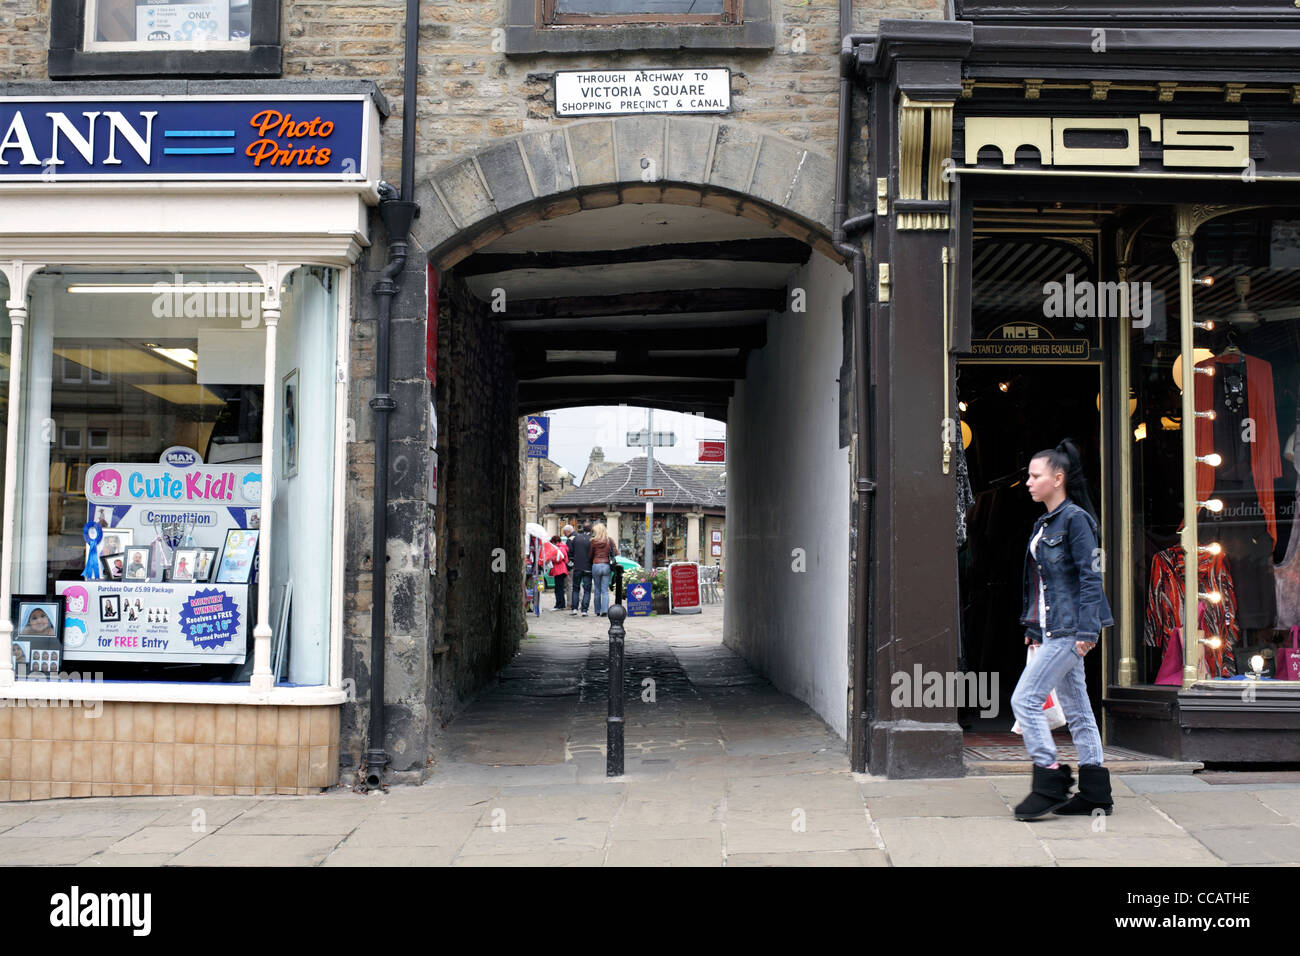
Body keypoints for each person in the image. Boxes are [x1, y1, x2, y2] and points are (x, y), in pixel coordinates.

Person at [1010, 439, 1115, 820]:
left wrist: (1088, 630)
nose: (1028, 482)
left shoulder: (1076, 520)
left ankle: (1050, 780)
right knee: (1079, 711)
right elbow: (1041, 583)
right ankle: (1094, 793)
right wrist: (1034, 627)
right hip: (1053, 628)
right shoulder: (1046, 522)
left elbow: (1091, 576)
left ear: (1058, 478)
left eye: (1035, 476)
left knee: (1024, 699)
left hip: (1071, 631)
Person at [589, 522, 618, 617]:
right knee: (605, 590)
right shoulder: (609, 540)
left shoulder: (593, 541)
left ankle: (597, 610)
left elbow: (590, 555)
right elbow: (616, 552)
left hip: (596, 564)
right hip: (606, 565)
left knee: (597, 589)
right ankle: (604, 610)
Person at [568, 522, 593, 616]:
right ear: (591, 530)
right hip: (588, 567)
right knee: (587, 589)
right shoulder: (591, 539)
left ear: (582, 529)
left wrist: (573, 561)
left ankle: (574, 608)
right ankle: (584, 610)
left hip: (577, 566)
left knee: (575, 588)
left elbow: (570, 552)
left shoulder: (575, 538)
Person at [548, 534, 569, 610]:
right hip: (561, 569)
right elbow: (565, 559)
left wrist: (550, 558)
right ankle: (561, 604)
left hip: (558, 570)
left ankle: (559, 604)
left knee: (558, 588)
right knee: (560, 588)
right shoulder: (563, 547)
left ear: (555, 542)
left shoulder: (559, 548)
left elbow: (558, 558)